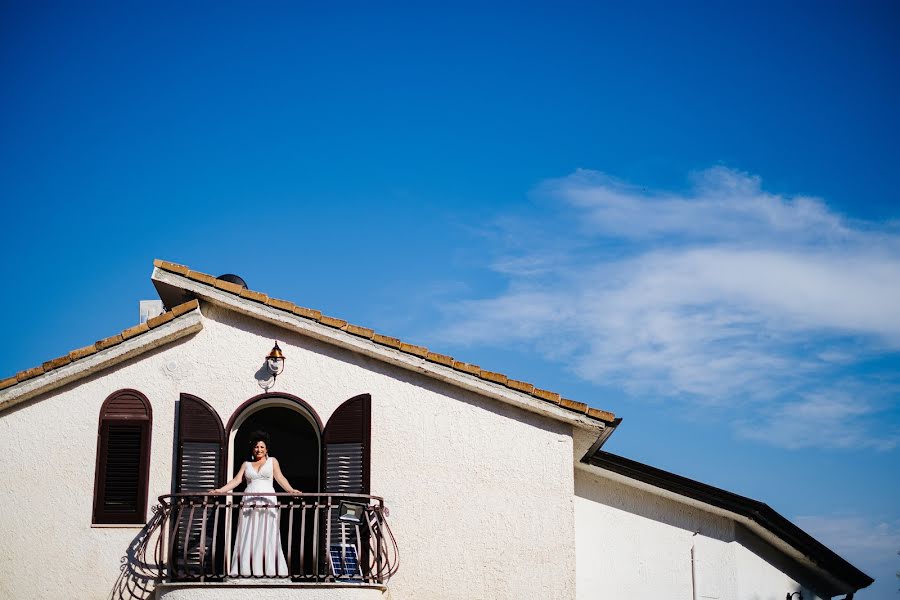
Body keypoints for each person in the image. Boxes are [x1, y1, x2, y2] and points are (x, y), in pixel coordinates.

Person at [211, 431, 301, 577]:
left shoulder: (272, 461)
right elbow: (236, 481)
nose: (259, 450)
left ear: (267, 449)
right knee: (248, 533)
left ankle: (269, 569)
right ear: (253, 449)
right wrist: (220, 491)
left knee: (267, 532)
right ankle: (246, 569)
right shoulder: (246, 464)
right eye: (256, 447)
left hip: (267, 499)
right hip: (249, 500)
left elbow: (280, 478)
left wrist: (291, 490)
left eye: (262, 447)